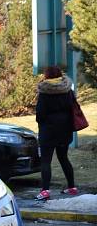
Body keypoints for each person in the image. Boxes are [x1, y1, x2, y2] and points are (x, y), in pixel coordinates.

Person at [35, 66, 77, 201]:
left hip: (48, 131)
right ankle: (72, 187)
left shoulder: (44, 92)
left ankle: (45, 190)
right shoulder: (68, 90)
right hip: (65, 129)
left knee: (46, 160)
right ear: (60, 75)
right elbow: (73, 108)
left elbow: (40, 115)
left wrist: (43, 123)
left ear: (47, 76)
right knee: (63, 157)